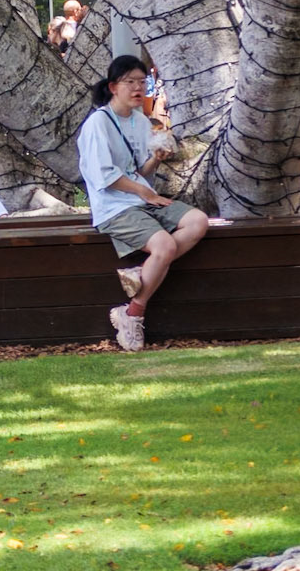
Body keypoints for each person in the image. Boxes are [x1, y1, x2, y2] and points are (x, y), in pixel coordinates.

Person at [77, 54, 209, 352]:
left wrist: (155, 159)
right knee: (165, 246)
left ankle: (144, 272)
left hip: (139, 199)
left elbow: (139, 172)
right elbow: (105, 177)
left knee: (198, 221)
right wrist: (144, 193)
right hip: (114, 207)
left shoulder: (139, 120)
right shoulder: (98, 123)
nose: (138, 88)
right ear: (113, 86)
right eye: (131, 82)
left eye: (143, 82)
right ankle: (133, 313)